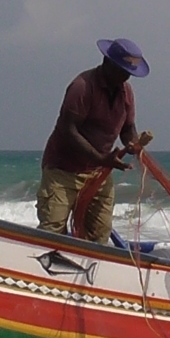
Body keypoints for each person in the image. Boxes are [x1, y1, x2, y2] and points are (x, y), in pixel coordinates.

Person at [36, 38, 150, 244]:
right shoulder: (82, 86)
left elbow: (127, 128)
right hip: (63, 171)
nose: (126, 76)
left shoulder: (126, 93)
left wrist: (133, 144)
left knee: (99, 234)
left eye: (129, 73)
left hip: (99, 173)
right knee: (52, 230)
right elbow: (68, 130)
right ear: (107, 63)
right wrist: (101, 158)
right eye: (122, 70)